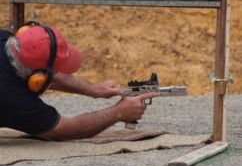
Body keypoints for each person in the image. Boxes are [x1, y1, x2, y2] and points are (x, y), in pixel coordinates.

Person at [0, 24, 157, 141]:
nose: (58, 73)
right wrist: (119, 112)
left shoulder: (6, 39)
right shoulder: (14, 100)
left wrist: (92, 90)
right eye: (55, 70)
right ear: (38, 80)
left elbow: (44, 74)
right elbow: (65, 130)